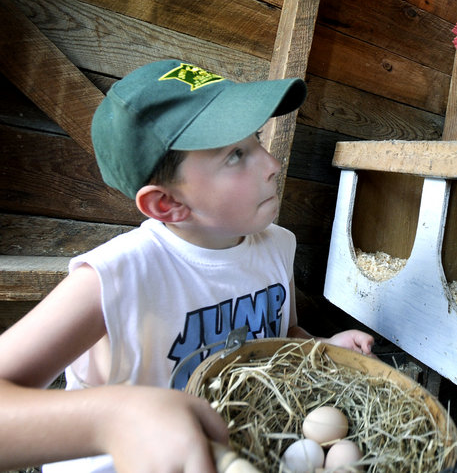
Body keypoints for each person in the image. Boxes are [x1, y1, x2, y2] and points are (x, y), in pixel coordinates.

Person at [0, 60, 374, 473]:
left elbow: (280, 334)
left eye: (255, 141)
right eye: (235, 155)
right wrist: (110, 421)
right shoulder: (117, 277)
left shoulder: (276, 246)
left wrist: (318, 348)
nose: (272, 163)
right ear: (168, 204)